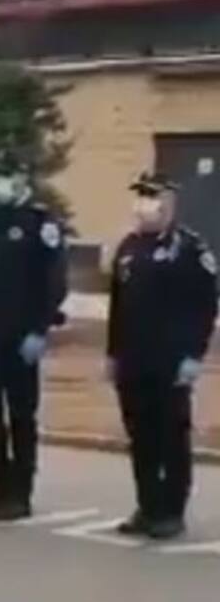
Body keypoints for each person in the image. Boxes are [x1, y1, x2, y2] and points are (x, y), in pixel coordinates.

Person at [107, 172, 219, 540]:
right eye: (140, 196)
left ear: (169, 201)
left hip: (171, 361)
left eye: (152, 196)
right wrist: (113, 353)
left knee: (170, 436)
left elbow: (204, 306)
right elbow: (118, 306)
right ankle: (147, 505)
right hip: (133, 359)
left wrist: (193, 354)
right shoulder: (129, 246)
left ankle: (171, 510)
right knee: (140, 437)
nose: (144, 203)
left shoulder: (189, 248)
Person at [0, 153, 68, 521]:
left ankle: (19, 493)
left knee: (21, 415)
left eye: (5, 177)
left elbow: (52, 283)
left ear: (22, 180)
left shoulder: (39, 225)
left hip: (20, 339)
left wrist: (39, 329)